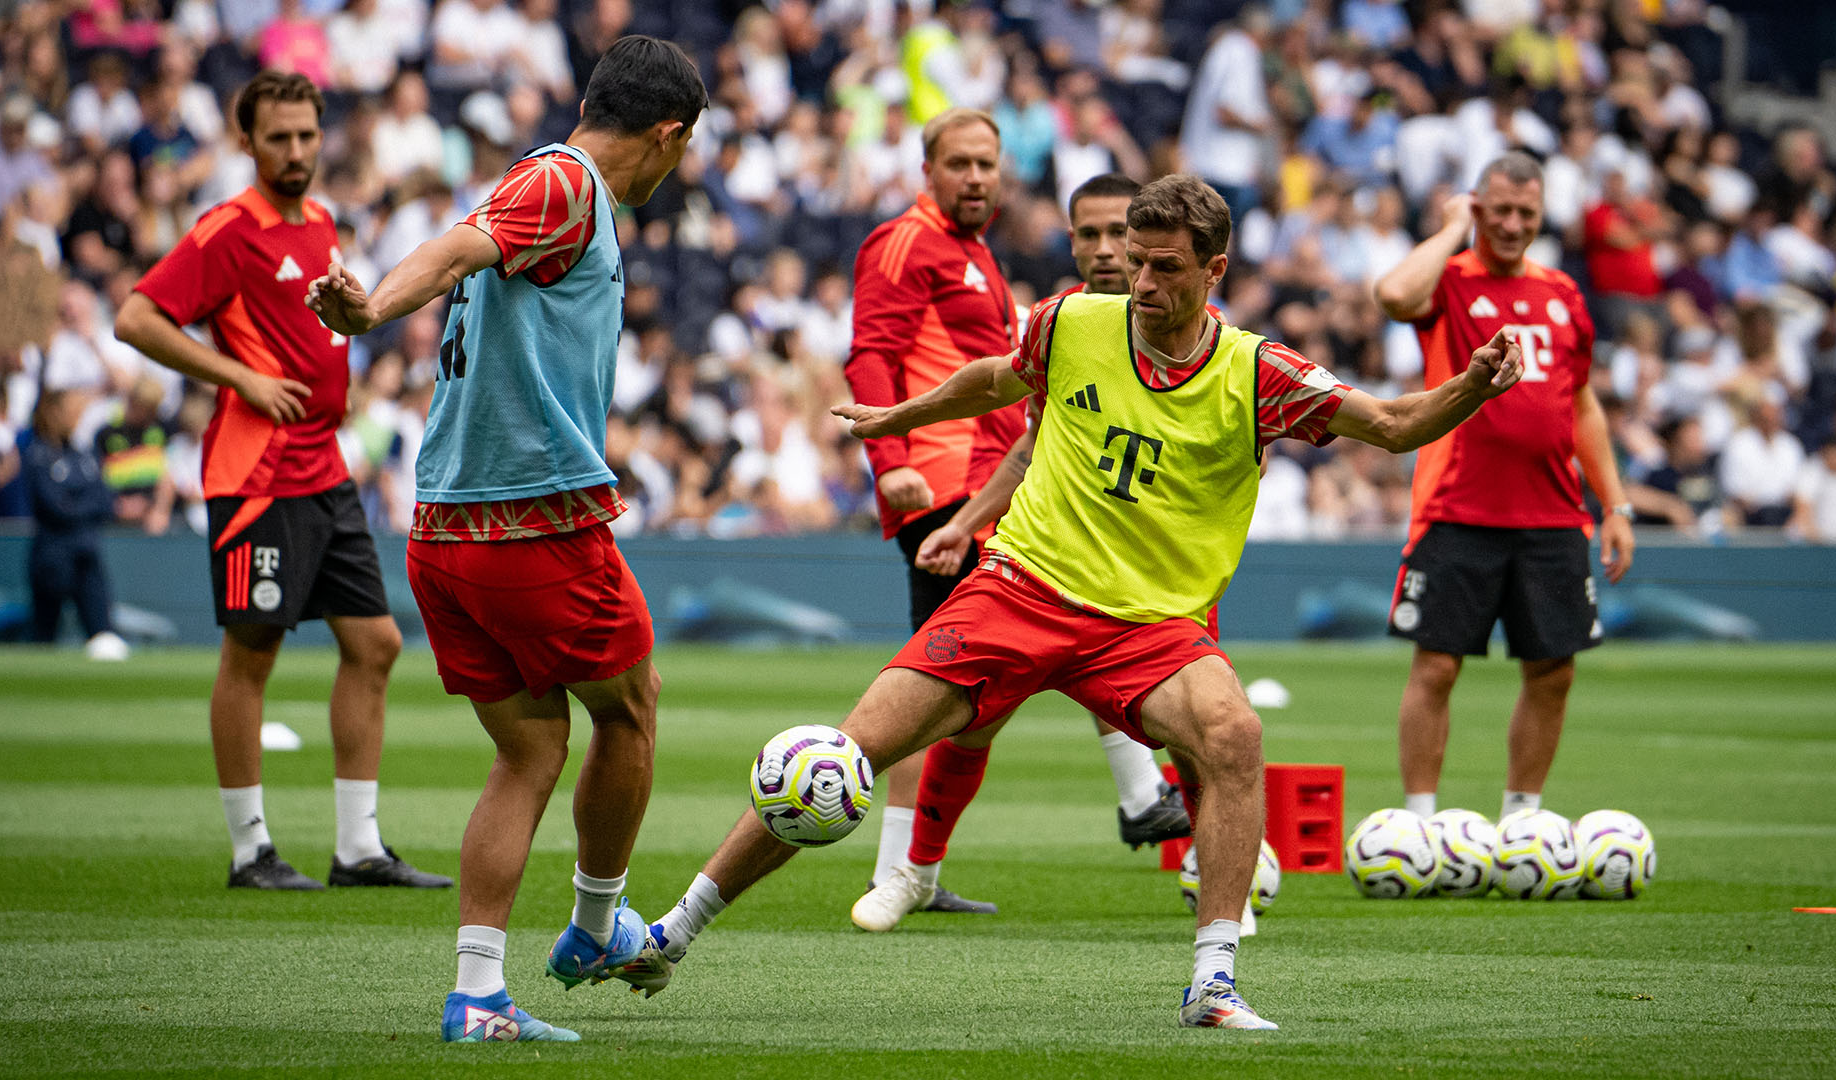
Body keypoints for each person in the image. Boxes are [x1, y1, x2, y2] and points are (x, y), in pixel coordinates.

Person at [617, 174, 1524, 1029]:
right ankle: (671, 934)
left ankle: (1213, 980)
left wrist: (1474, 386)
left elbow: (1397, 425)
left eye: (1167, 267)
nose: (1142, 281)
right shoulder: (1070, 322)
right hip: (1020, 591)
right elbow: (994, 379)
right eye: (1135, 259)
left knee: (1234, 736)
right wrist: (901, 420)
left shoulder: (1260, 373)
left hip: (1145, 628)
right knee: (839, 761)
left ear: (1215, 270)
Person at [306, 35, 707, 1044]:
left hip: (442, 526)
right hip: (532, 518)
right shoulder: (568, 185)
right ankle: (595, 926)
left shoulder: (542, 179)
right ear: (668, 135)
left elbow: (467, 245)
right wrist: (369, 310)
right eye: (683, 149)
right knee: (633, 708)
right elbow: (451, 248)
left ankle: (477, 995)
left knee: (529, 751)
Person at [114, 71, 447, 894]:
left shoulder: (323, 222)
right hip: (256, 473)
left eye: (306, 136)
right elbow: (137, 317)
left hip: (324, 466)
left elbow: (316, 328)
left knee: (376, 644)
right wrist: (238, 377)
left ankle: (358, 849)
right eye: (279, 138)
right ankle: (250, 850)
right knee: (251, 652)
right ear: (247, 142)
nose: (296, 151)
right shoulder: (227, 229)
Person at [851, 173, 1192, 935]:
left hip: (1156, 555)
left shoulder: (1188, 328)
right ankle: (908, 871)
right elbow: (1030, 444)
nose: (1106, 252)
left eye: (1120, 236)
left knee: (1202, 712)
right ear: (1070, 240)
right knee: (960, 711)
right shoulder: (1066, 324)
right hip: (1039, 553)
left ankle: (1204, 849)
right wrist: (963, 519)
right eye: (1090, 235)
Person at [1371, 152, 1635, 824]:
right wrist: (1454, 227)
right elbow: (1395, 296)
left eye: (1527, 213)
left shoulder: (1563, 293)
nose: (1514, 225)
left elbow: (1581, 405)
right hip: (1458, 505)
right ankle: (1421, 824)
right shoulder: (1452, 279)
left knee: (1554, 671)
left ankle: (1523, 822)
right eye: (1501, 211)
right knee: (1436, 668)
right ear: (1479, 207)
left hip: (1553, 514)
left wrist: (1617, 504)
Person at [841, 106, 1018, 919]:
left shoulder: (973, 253)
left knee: (956, 685)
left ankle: (906, 871)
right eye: (960, 164)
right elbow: (872, 354)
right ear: (929, 170)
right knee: (944, 683)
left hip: (982, 491)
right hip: (943, 492)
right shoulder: (906, 241)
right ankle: (898, 873)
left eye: (986, 163)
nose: (975, 177)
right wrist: (893, 465)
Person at [24, 388, 127, 661]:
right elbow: (55, 506)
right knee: (44, 634)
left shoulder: (85, 454)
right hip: (52, 554)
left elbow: (105, 501)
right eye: (71, 411)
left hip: (87, 551)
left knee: (102, 632)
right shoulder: (39, 454)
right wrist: (82, 503)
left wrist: (76, 502)